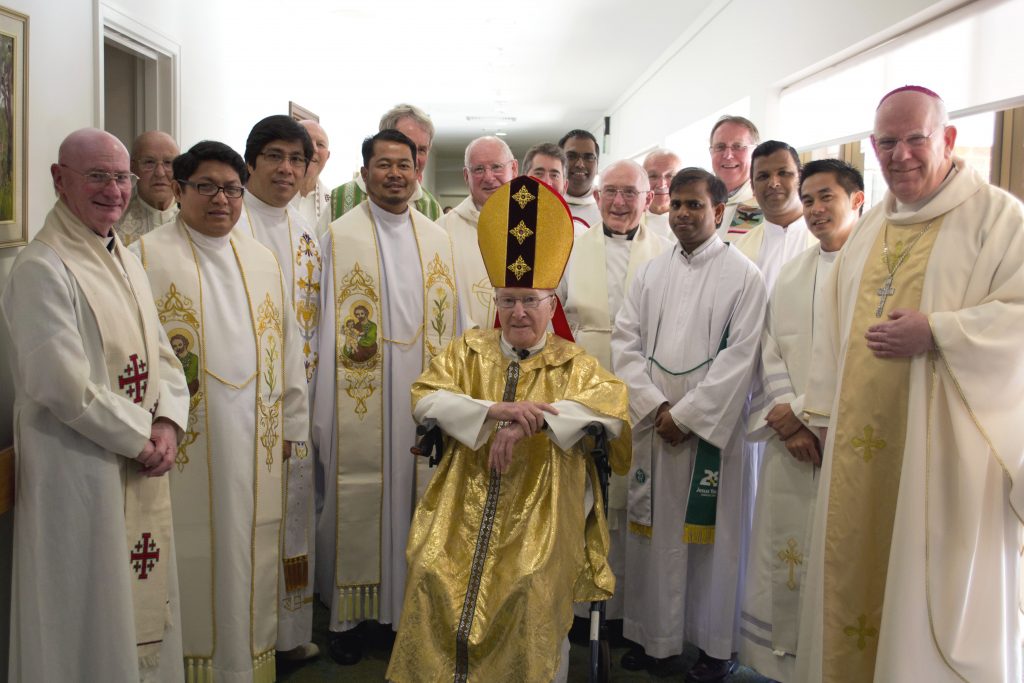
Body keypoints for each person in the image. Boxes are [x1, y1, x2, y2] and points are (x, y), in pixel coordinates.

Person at [795, 85, 1024, 683]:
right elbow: (833, 325)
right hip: (857, 454)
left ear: (947, 139)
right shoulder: (871, 229)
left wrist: (941, 332)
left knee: (928, 593)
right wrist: (820, 414)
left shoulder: (999, 218)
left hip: (947, 460)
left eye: (916, 139)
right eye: (888, 142)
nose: (901, 155)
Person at [386, 175, 631, 683]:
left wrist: (537, 418)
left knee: (529, 583)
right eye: (508, 300)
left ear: (552, 305)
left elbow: (611, 412)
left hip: (542, 509)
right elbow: (424, 398)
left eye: (531, 300)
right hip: (461, 502)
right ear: (494, 303)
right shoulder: (467, 350)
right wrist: (494, 412)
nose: (518, 312)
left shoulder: (574, 363)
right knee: (431, 570)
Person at [2, 128, 189, 682]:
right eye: (97, 176)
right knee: (86, 610)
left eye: (121, 177)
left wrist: (168, 422)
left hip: (136, 457)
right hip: (77, 471)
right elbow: (59, 381)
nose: (115, 190)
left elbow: (162, 353)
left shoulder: (122, 256)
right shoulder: (42, 266)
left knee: (135, 605)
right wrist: (142, 437)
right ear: (60, 180)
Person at [135, 140, 309, 679]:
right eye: (206, 187)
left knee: (251, 547)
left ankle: (248, 660)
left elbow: (288, 343)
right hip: (187, 441)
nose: (221, 200)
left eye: (231, 188)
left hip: (258, 434)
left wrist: (293, 423)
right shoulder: (145, 256)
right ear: (180, 191)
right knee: (192, 549)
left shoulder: (261, 259)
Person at [613, 167, 766, 682]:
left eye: (694, 205)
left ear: (719, 212)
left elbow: (742, 357)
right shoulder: (650, 272)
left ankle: (711, 646)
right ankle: (653, 638)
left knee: (710, 545)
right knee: (651, 538)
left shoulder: (745, 276)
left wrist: (690, 415)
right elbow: (625, 344)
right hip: (656, 429)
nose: (681, 213)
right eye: (675, 204)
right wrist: (655, 407)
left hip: (709, 438)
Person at [312, 129, 459, 665]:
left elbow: (457, 324)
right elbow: (324, 323)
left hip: (421, 394)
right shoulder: (338, 236)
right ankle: (351, 620)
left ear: (418, 171)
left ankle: (409, 615)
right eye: (383, 165)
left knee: (416, 500)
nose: (395, 174)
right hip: (359, 391)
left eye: (405, 164)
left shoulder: (437, 237)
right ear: (365, 172)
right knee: (358, 493)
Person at [738, 159, 864, 681]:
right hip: (792, 440)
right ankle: (784, 662)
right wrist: (789, 419)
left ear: (856, 200)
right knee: (785, 553)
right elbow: (771, 350)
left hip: (848, 438)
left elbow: (863, 356)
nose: (814, 209)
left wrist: (806, 411)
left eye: (825, 197)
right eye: (808, 200)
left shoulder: (873, 271)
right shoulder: (793, 273)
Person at [557, 159, 670, 632]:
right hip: (583, 375)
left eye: (631, 193)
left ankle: (626, 611)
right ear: (597, 197)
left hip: (643, 382)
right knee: (584, 492)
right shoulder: (569, 247)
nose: (620, 203)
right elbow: (554, 311)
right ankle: (581, 609)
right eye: (612, 192)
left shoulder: (666, 252)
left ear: (648, 199)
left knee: (630, 498)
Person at [238, 114, 322, 660]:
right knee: (245, 521)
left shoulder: (305, 229)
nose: (286, 169)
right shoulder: (229, 219)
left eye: (297, 159)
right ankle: (243, 636)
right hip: (241, 404)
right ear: (251, 162)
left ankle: (287, 637)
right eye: (274, 156)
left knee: (291, 517)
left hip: (296, 398)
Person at [440, 135, 518, 329]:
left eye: (497, 167)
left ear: (514, 169)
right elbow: (437, 295)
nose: (489, 177)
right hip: (464, 346)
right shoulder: (442, 231)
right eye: (479, 169)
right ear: (466, 176)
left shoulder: (534, 224)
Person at [329, 103, 443, 221]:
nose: (413, 159)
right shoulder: (338, 200)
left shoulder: (433, 210)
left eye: (422, 150)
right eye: (406, 147)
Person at [734, 140, 816, 292]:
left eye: (783, 173)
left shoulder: (827, 242)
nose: (773, 183)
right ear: (752, 186)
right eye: (763, 176)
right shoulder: (738, 250)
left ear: (801, 178)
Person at [115, 130, 180, 245]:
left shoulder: (196, 221)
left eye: (168, 163)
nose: (160, 173)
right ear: (132, 167)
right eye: (149, 162)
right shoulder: (113, 224)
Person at [708, 116, 761, 241]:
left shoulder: (766, 206)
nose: (728, 155)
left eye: (737, 146)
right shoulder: (697, 202)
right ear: (711, 152)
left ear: (755, 152)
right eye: (720, 147)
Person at [291, 119, 332, 237]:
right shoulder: (273, 193)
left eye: (320, 144)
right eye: (307, 140)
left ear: (327, 156)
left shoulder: (334, 203)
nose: (314, 149)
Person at [559, 128, 602, 230]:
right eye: (571, 156)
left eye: (589, 157)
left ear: (597, 165)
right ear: (559, 162)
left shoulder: (608, 207)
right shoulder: (544, 203)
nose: (580, 164)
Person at [642, 148, 682, 240]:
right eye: (653, 176)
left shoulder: (695, 221)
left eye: (670, 176)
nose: (661, 184)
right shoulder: (630, 219)